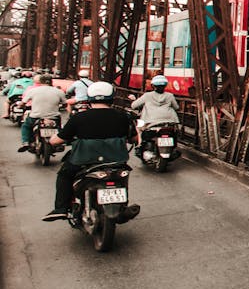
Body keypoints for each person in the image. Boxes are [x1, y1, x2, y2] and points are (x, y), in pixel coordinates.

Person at [44, 81, 138, 222]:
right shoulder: (123, 116)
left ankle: (61, 208)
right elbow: (134, 139)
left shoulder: (78, 118)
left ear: (89, 99)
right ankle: (121, 207)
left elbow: (56, 141)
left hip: (84, 160)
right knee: (121, 178)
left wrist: (51, 140)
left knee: (64, 175)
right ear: (112, 98)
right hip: (116, 160)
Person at [17, 74, 67, 152]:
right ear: (51, 81)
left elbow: (23, 102)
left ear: (40, 81)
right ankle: (60, 142)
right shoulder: (59, 91)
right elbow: (65, 104)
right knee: (59, 127)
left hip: (35, 117)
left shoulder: (32, 91)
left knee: (26, 126)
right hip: (53, 118)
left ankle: (26, 142)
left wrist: (20, 106)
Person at [130, 75, 180, 145]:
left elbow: (133, 106)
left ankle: (139, 145)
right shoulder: (170, 96)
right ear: (165, 86)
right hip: (169, 122)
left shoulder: (147, 95)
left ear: (153, 86)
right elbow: (176, 107)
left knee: (139, 129)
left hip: (151, 123)